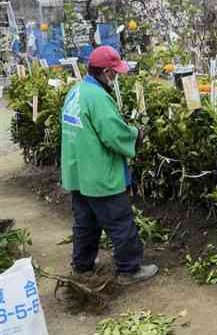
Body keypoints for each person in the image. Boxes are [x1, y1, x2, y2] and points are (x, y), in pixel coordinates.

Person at [61, 46, 158, 284]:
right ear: (104, 71)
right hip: (99, 174)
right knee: (120, 222)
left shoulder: (76, 91)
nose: (116, 78)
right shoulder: (98, 98)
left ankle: (82, 266)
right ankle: (129, 269)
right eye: (114, 73)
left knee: (85, 223)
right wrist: (137, 134)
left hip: (78, 172)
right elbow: (113, 134)